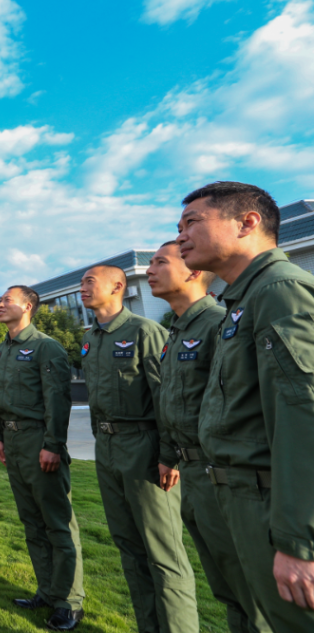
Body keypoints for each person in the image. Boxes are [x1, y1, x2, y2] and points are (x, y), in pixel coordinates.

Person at [177, 181, 314, 628]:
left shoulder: (279, 290)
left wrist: (299, 543)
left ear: (247, 222)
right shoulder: (241, 301)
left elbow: (303, 417)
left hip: (273, 505)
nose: (180, 236)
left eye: (192, 222)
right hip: (243, 498)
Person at [147, 241, 271, 633]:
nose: (150, 269)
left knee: (254, 596)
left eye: (160, 262)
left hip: (224, 473)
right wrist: (169, 454)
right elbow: (173, 400)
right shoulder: (177, 329)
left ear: (193, 272)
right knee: (228, 588)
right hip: (193, 471)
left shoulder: (218, 323)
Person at [79, 265, 198, 633]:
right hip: (108, 448)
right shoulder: (91, 337)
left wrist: (168, 455)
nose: (83, 288)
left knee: (163, 553)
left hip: (144, 448)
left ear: (118, 286)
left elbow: (165, 396)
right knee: (129, 548)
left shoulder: (144, 331)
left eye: (89, 281)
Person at [0, 286, 85, 631]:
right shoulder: (0, 351)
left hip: (38, 441)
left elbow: (58, 400)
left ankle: (70, 602)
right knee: (32, 522)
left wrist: (53, 444)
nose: (0, 304)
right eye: (0, 300)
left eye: (7, 300)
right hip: (12, 442)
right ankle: (46, 590)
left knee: (58, 524)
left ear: (28, 306)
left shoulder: (46, 347)